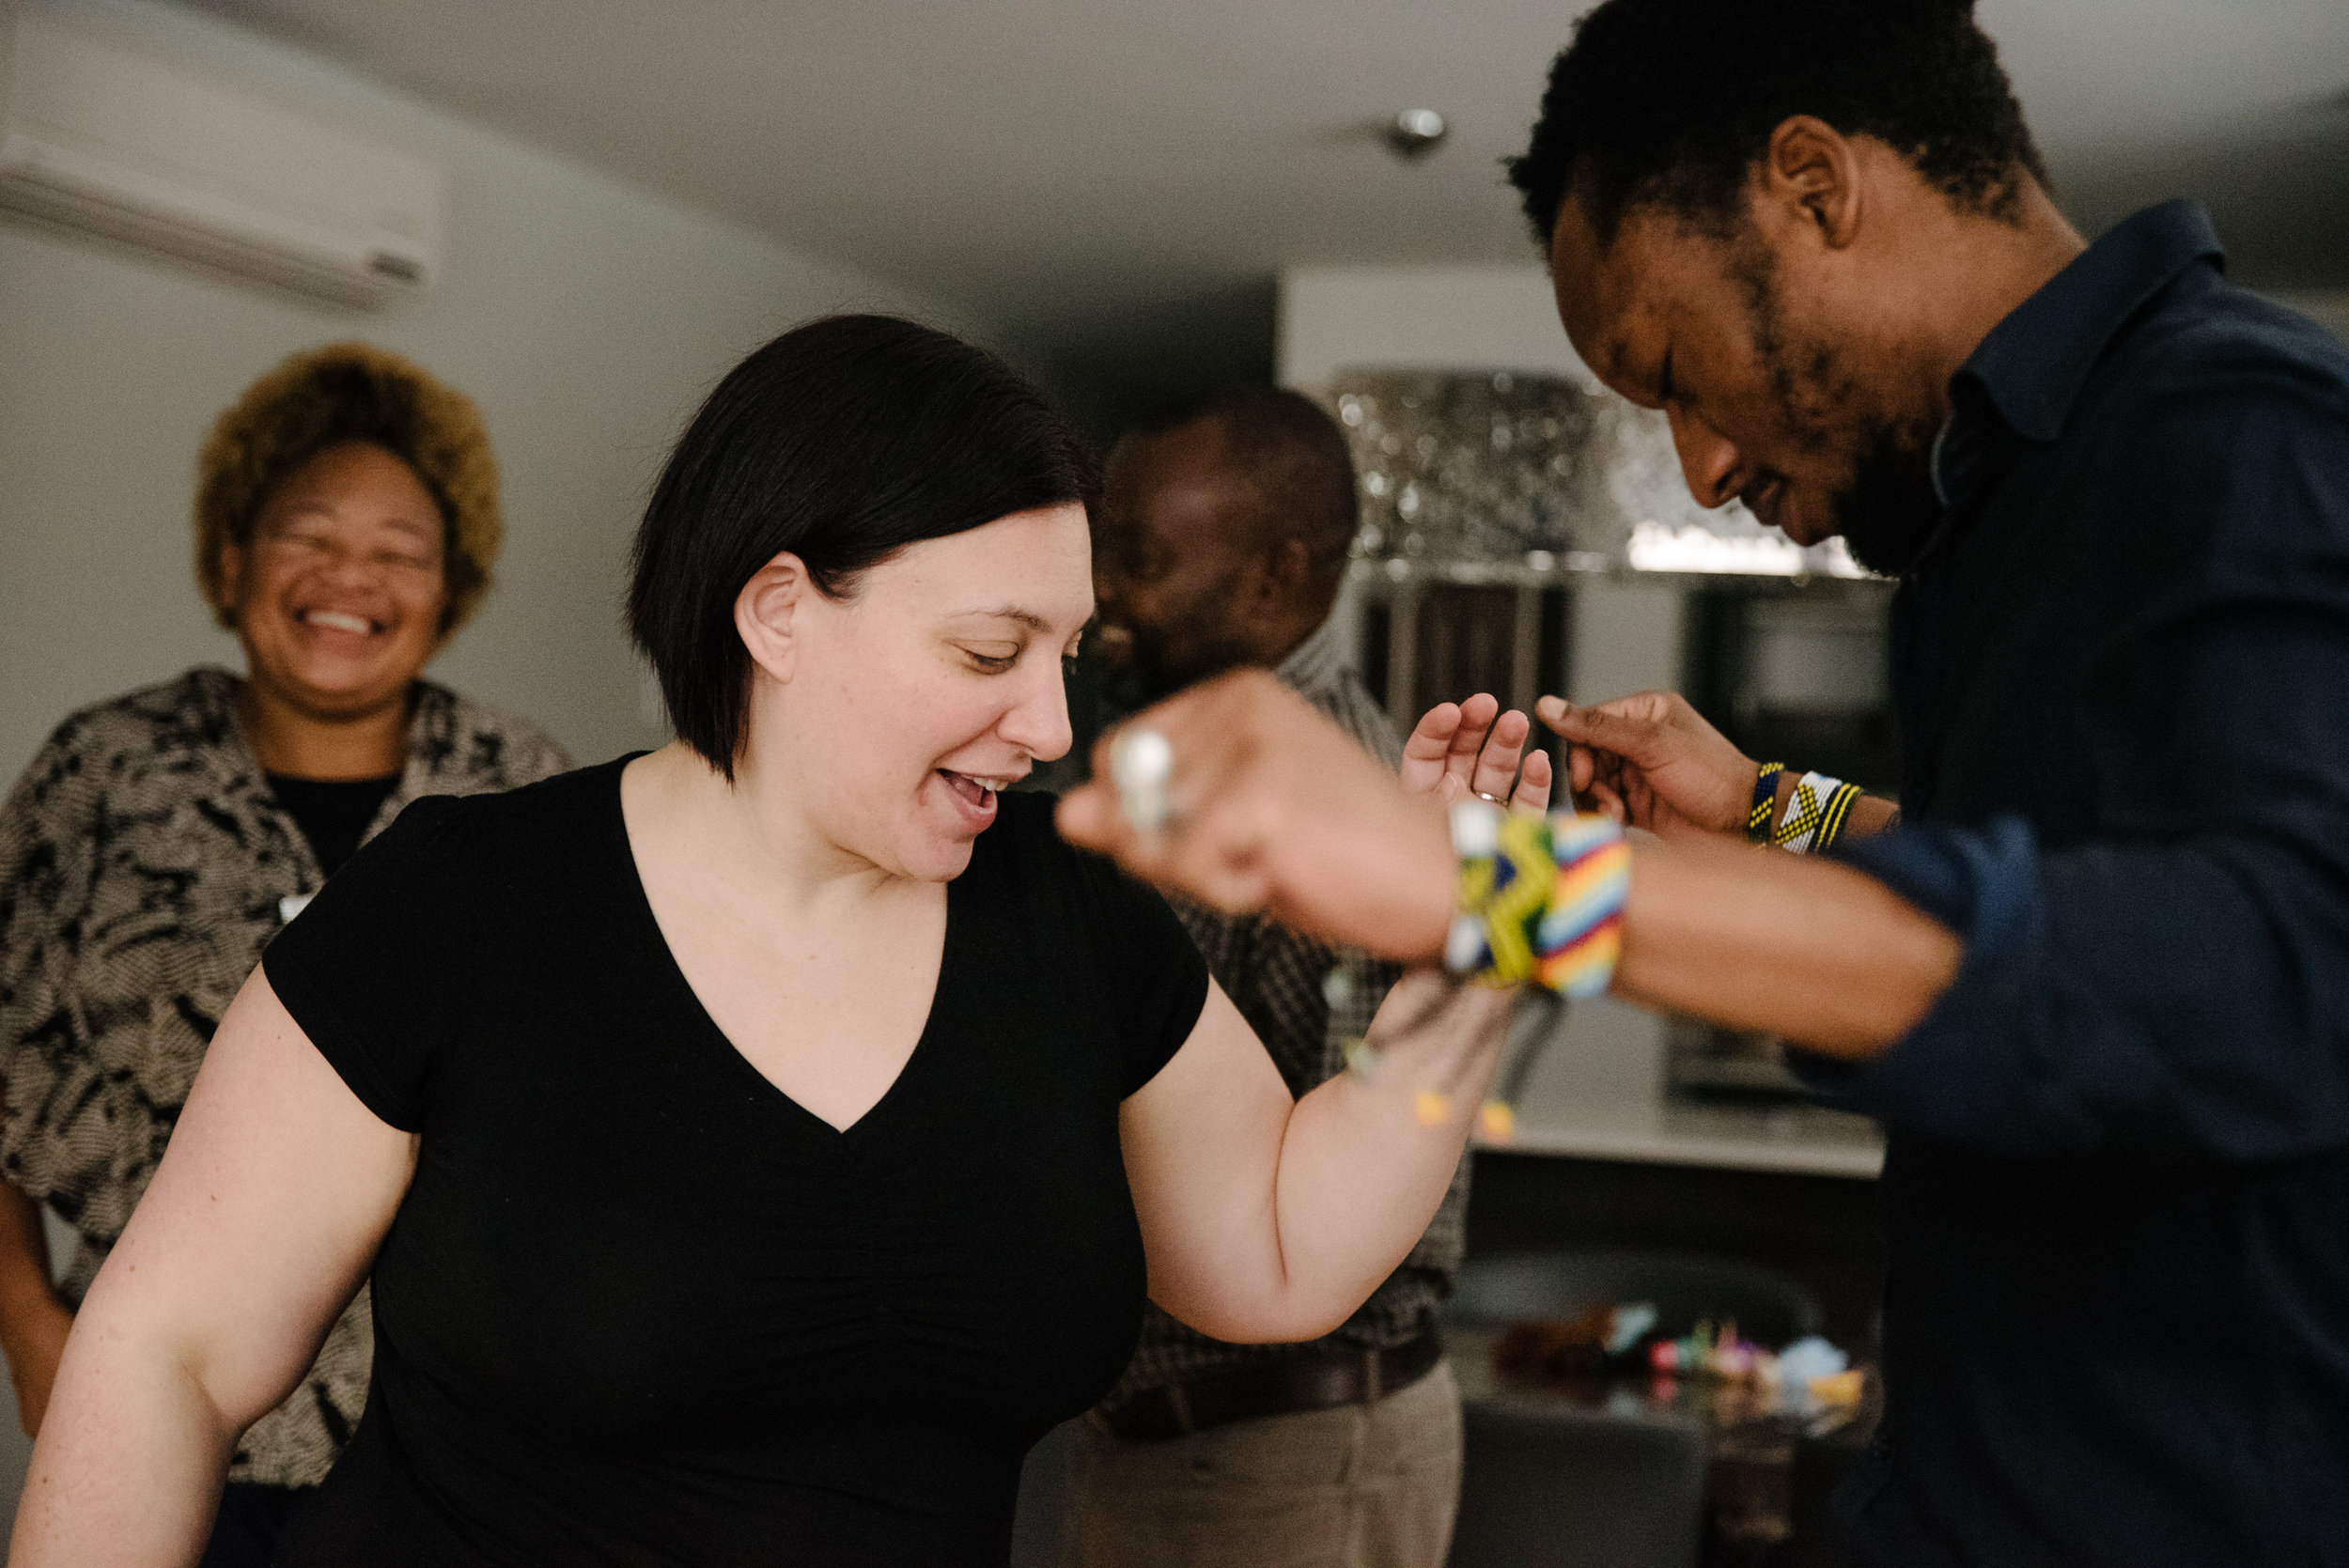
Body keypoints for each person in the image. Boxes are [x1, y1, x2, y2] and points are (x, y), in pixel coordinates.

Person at [1053, 2, 2349, 1563]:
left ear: (1815, 186)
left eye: (1675, 369)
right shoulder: (1993, 518)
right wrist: (1762, 810)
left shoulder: (2235, 433)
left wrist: (1495, 885)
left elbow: (2265, 967)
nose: (1702, 470)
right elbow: (2068, 877)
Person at [8, 316, 1526, 1568]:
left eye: (1065, 656)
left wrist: (1503, 924)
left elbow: (1277, 1250)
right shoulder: (463, 902)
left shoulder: (1075, 928)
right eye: (991, 651)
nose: (1052, 723)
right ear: (780, 611)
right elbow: (172, 1347)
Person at [0, 342, 569, 1564]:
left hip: (452, 1451)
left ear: (449, 592)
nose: (349, 575)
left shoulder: (520, 796)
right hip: (156, 1430)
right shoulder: (102, 772)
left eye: (401, 552)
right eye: (308, 534)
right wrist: (26, 1321)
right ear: (230, 558)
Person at [1074, 388, 1552, 1568]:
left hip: (1286, 1453)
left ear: (1277, 578)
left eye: (1136, 558)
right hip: (1162, 1438)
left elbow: (1352, 1183)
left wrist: (1530, 901)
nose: (1104, 601)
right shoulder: (1180, 767)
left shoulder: (1344, 800)